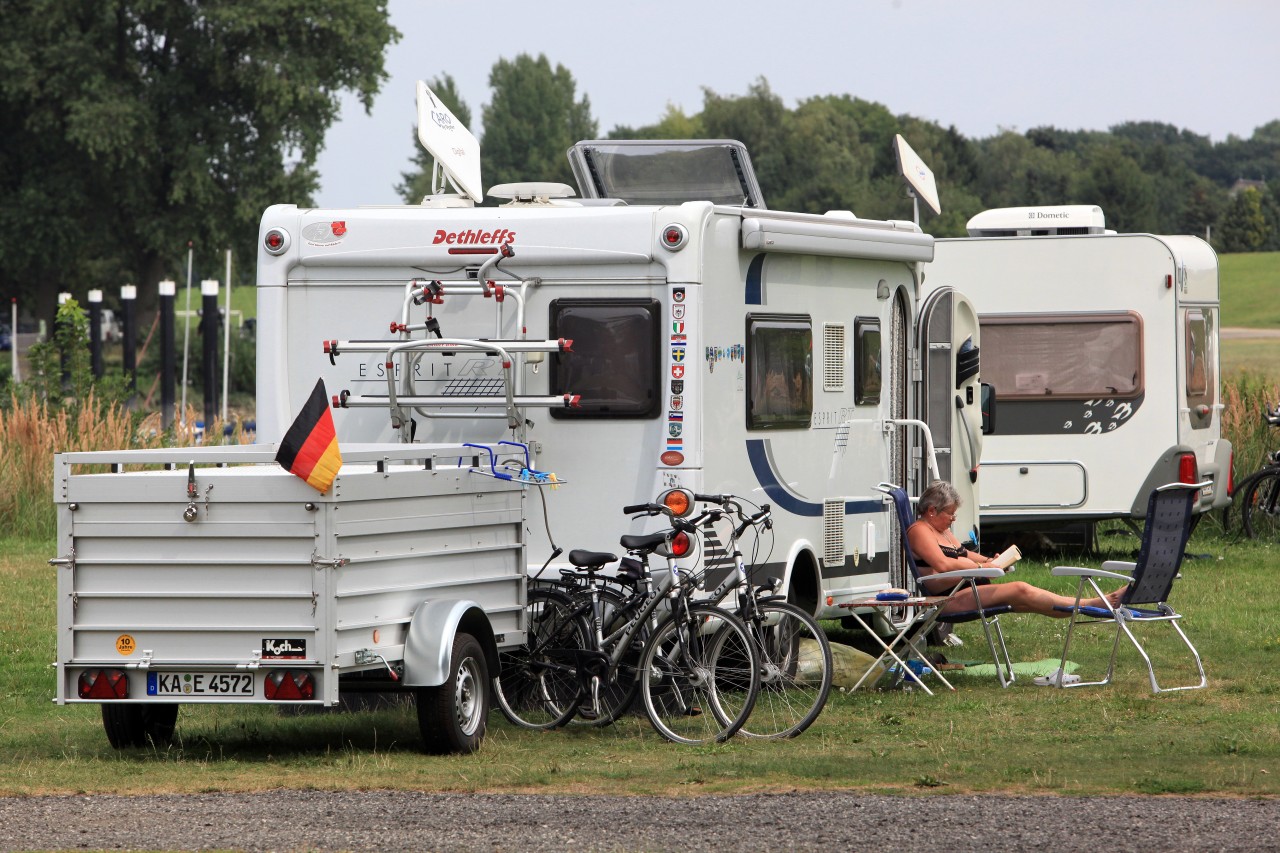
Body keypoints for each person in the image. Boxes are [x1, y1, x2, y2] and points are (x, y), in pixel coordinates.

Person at [906, 481, 1127, 617]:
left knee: (1026, 599)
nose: (953, 520)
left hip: (964, 588)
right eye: (950, 514)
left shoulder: (941, 530)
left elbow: (962, 554)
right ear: (932, 511)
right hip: (946, 599)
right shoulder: (920, 530)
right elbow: (943, 564)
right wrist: (983, 566)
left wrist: (991, 560)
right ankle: (1095, 603)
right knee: (1020, 589)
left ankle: (1089, 606)